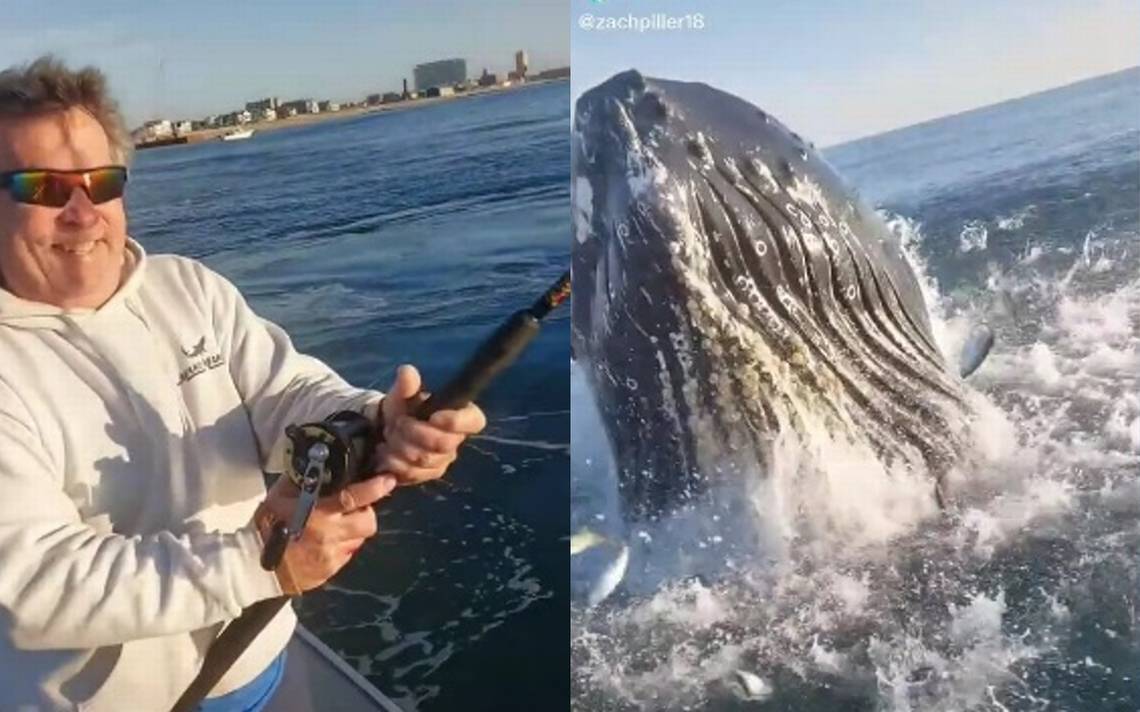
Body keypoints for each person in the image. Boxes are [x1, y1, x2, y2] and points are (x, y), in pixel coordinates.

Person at [0, 55, 485, 711]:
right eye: (45, 188)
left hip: (263, 672)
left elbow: (284, 394)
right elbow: (35, 584)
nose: (84, 213)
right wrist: (257, 560)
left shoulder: (187, 288)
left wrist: (380, 424)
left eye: (102, 181)